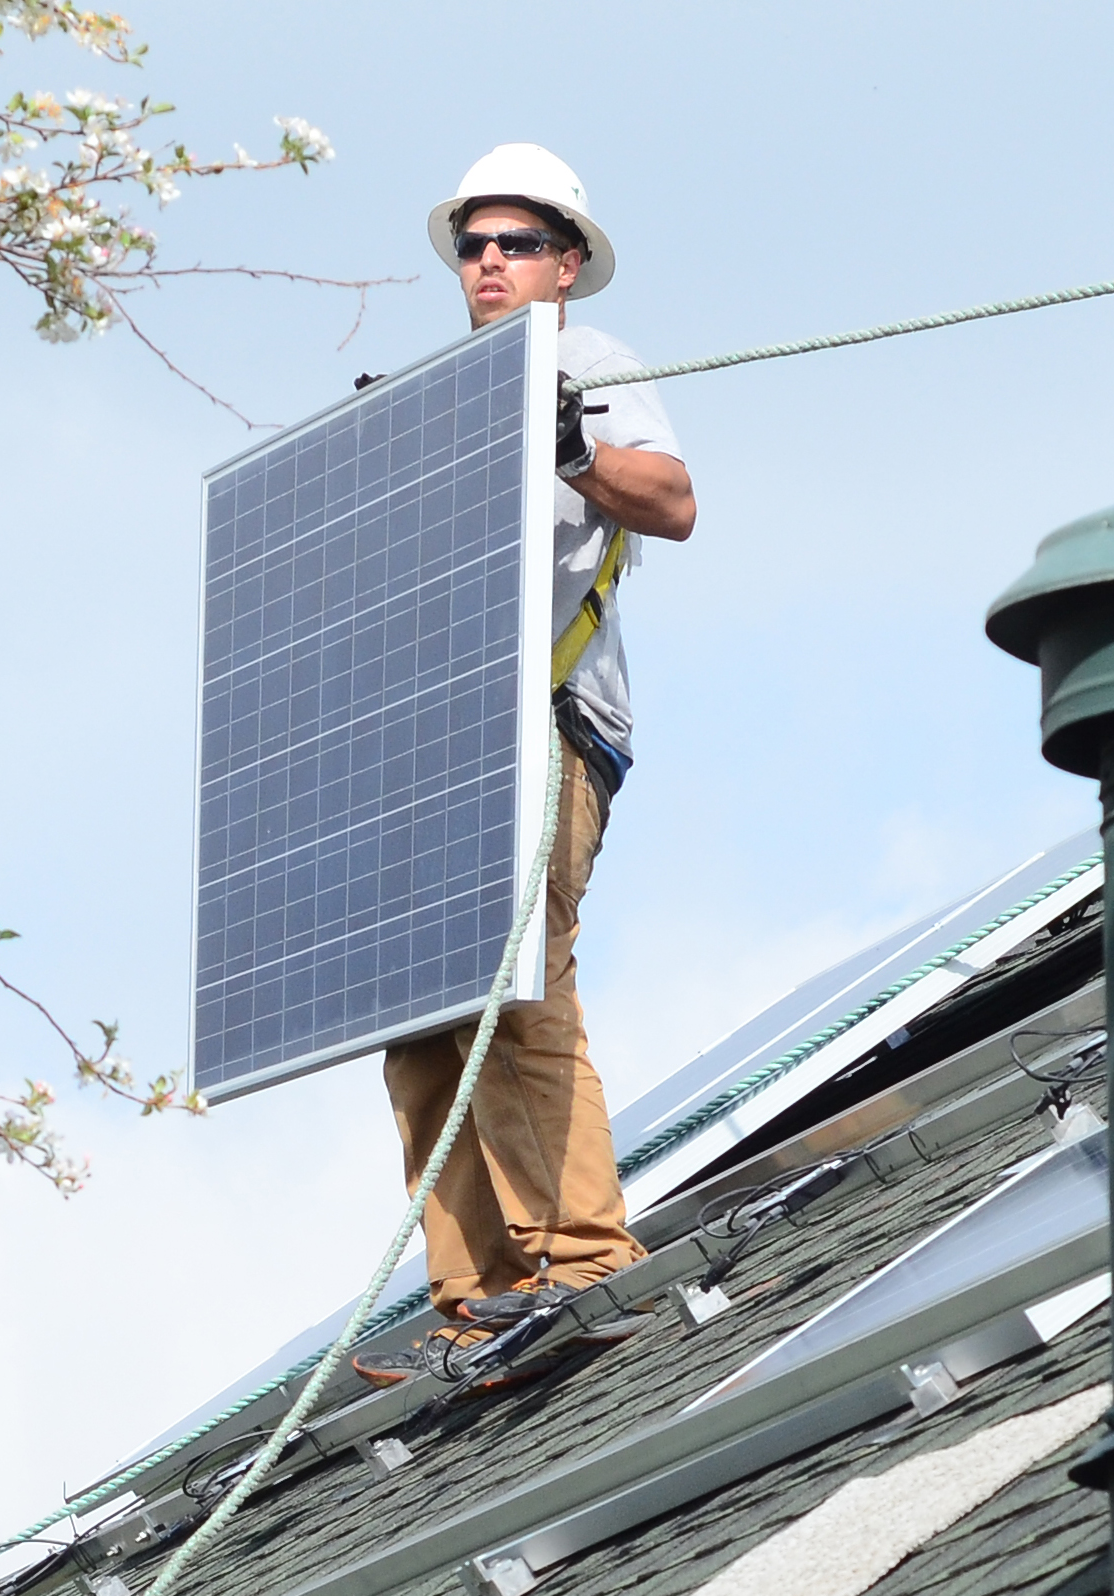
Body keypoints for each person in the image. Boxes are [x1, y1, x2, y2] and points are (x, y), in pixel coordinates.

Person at [364, 143, 699, 1386]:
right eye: (473, 244)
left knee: (515, 984)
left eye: (515, 244)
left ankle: (584, 1262)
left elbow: (668, 500)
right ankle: (477, 1298)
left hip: (548, 721)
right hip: (441, 735)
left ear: (566, 266)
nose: (489, 262)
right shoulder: (441, 393)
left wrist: (567, 444)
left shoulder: (587, 363)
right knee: (411, 1017)